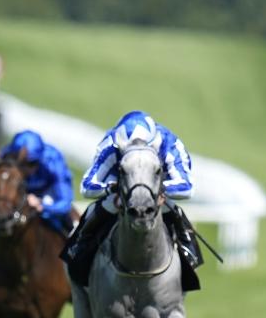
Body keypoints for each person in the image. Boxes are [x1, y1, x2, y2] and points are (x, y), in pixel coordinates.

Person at [61, 110, 203, 290]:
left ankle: (189, 257)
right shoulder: (111, 143)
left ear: (154, 143)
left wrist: (160, 190)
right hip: (120, 194)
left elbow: (187, 187)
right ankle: (78, 252)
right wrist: (112, 188)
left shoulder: (169, 143)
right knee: (94, 210)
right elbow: (88, 185)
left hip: (157, 197)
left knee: (174, 211)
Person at [0, 130, 74, 252]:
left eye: (32, 164)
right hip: (18, 200)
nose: (26, 169)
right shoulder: (3, 160)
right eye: (21, 164)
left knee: (73, 231)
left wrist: (42, 206)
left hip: (47, 196)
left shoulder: (53, 160)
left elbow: (65, 203)